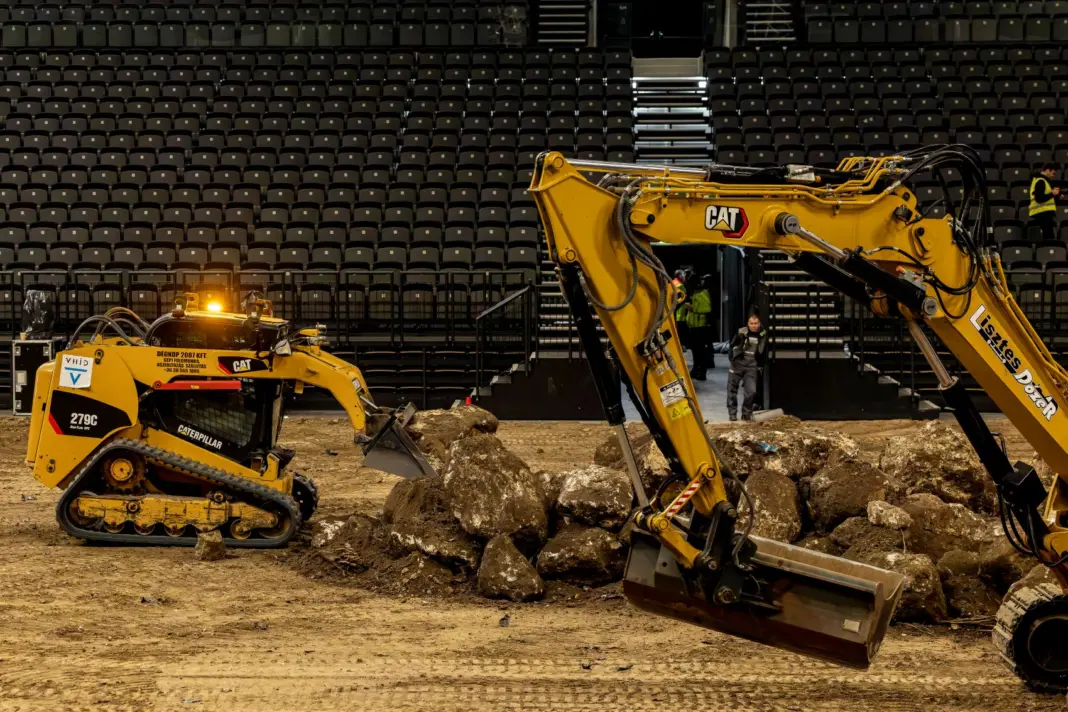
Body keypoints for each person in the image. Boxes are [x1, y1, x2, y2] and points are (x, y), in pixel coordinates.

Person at [727, 313, 768, 421]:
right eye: (751, 323)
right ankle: (732, 414)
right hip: (737, 365)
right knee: (731, 390)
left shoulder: (763, 335)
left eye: (756, 323)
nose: (754, 325)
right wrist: (732, 359)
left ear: (759, 324)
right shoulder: (741, 332)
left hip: (751, 367)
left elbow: (763, 352)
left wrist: (761, 365)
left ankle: (746, 413)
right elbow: (731, 346)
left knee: (751, 391)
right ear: (748, 324)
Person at [686, 274, 714, 380]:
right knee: (695, 350)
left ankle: (702, 372)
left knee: (700, 351)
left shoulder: (703, 293)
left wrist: (693, 308)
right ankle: (696, 369)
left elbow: (707, 309)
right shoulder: (695, 293)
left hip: (700, 326)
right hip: (693, 325)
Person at [1029, 162, 1061, 243]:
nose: (1053, 175)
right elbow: (1039, 198)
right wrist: (1052, 193)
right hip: (1043, 213)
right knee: (1049, 237)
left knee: (1049, 236)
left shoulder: (1041, 180)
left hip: (1044, 212)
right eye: (1053, 173)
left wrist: (1056, 196)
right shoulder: (1041, 181)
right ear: (1047, 170)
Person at [672, 269, 689, 351]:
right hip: (679, 313)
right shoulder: (679, 285)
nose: (685, 277)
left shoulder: (673, 283)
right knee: (680, 331)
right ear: (679, 275)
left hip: (678, 313)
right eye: (684, 275)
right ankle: (680, 346)